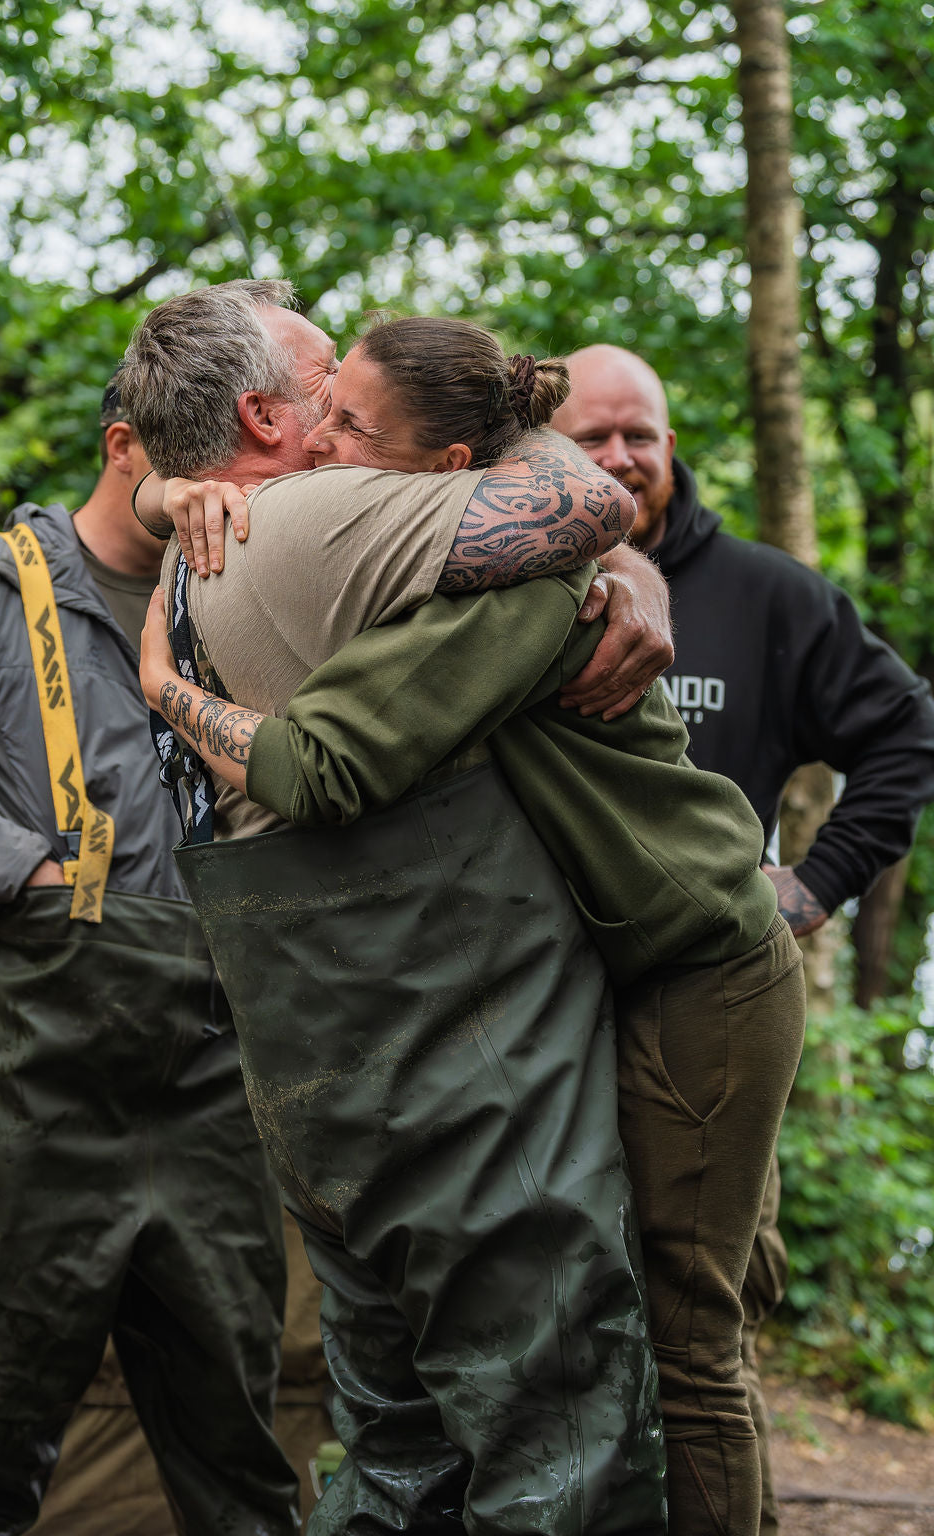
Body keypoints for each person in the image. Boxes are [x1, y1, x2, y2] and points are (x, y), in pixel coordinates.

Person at [132, 308, 806, 1536]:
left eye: (357, 411)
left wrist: (166, 676)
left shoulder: (299, 556)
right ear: (259, 419)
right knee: (606, 1372)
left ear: (444, 466)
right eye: (321, 396)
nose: (334, 431)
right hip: (565, 991)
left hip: (688, 960)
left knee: (674, 1339)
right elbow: (563, 508)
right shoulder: (364, 530)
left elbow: (326, 757)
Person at [551, 342, 934, 1534]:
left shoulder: (765, 597)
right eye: (593, 437)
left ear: (673, 445)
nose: (621, 458)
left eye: (641, 435)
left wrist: (813, 885)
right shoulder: (517, 586)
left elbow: (905, 737)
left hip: (708, 1007)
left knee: (703, 1318)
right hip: (544, 1005)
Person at [0, 380, 299, 1536]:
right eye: (207, 463)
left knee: (239, 1447)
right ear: (125, 445)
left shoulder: (254, 596)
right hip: (41, 1074)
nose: (229, 496)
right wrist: (28, 870)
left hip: (219, 1078)